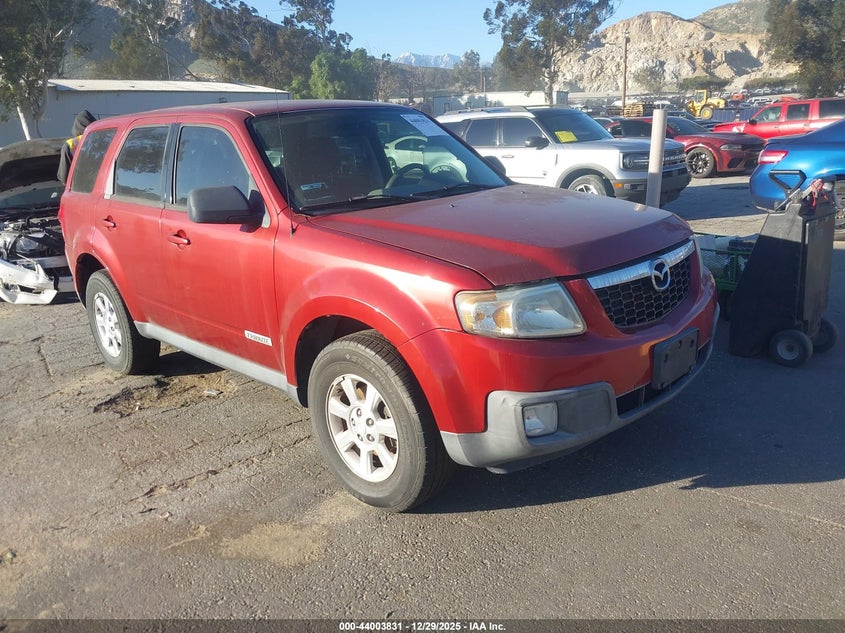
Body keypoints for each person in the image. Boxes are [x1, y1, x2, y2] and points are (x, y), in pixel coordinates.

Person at [57, 109, 96, 184]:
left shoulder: (70, 145)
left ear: (76, 127)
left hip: (80, 188)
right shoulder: (102, 139)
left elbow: (64, 176)